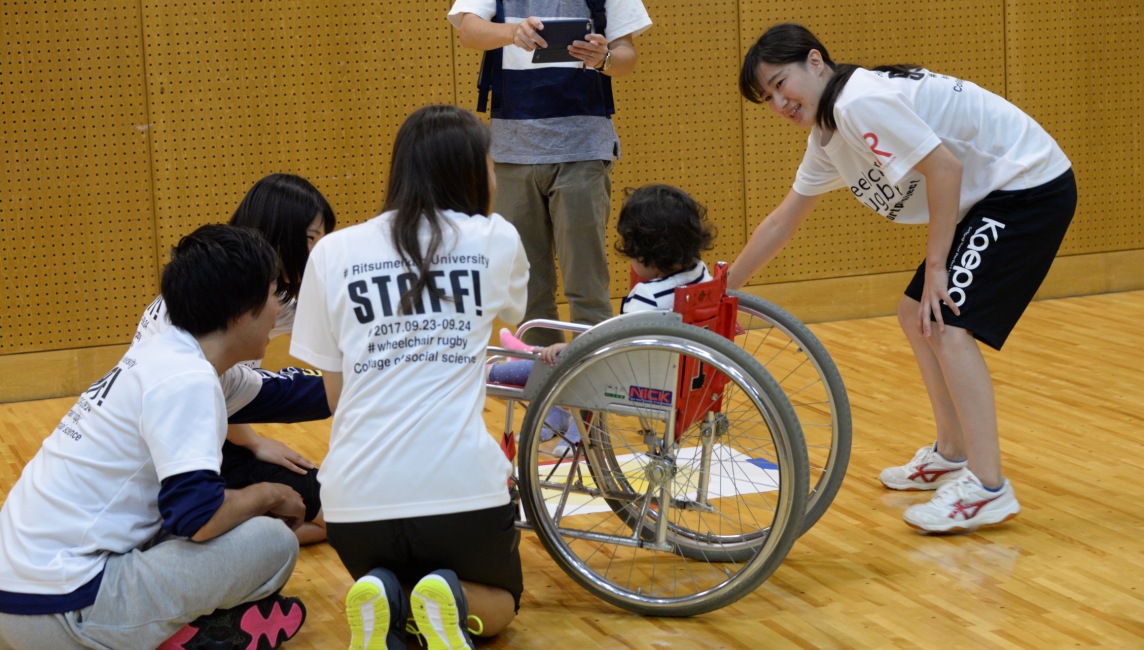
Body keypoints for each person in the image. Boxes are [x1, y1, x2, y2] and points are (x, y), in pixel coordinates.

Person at [731, 23, 1076, 534]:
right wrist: (728, 286)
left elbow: (944, 169)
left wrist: (936, 268)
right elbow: (784, 219)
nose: (779, 103)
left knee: (945, 324)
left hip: (1027, 186)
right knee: (915, 313)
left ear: (816, 62)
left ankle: (987, 488)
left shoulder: (857, 102)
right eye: (768, 97)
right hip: (991, 197)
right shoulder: (829, 134)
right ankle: (952, 453)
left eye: (781, 84)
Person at [0, 224, 308, 650]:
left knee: (232, 518)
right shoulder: (186, 378)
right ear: (240, 310)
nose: (279, 310)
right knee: (273, 542)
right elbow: (199, 519)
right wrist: (271, 493)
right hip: (61, 611)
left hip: (25, 594)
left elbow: (296, 394)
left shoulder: (166, 354)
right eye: (274, 294)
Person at [290, 105, 528, 650]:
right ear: (470, 171)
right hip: (461, 492)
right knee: (504, 602)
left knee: (390, 586)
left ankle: (382, 589)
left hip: (353, 507)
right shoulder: (495, 238)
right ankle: (453, 600)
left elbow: (335, 394)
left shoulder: (331, 251)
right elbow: (514, 317)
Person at [134, 173, 337, 545]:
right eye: (310, 238)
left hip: (217, 429)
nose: (318, 251)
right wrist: (255, 444)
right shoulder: (188, 356)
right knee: (333, 518)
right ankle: (213, 533)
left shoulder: (274, 294)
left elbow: (234, 393)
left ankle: (227, 526)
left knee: (330, 507)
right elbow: (209, 400)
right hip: (183, 450)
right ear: (279, 235)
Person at [448, 0, 652, 346]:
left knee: (586, 285)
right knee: (527, 289)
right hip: (512, 151)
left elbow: (626, 54)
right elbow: (468, 30)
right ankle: (544, 394)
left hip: (583, 148)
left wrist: (602, 59)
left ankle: (592, 392)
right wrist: (513, 32)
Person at [490, 184, 716, 449]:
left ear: (644, 252)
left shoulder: (647, 297)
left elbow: (611, 349)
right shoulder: (702, 276)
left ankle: (493, 371)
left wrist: (571, 349)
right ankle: (528, 350)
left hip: (632, 384)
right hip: (685, 380)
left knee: (548, 364)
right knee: (554, 354)